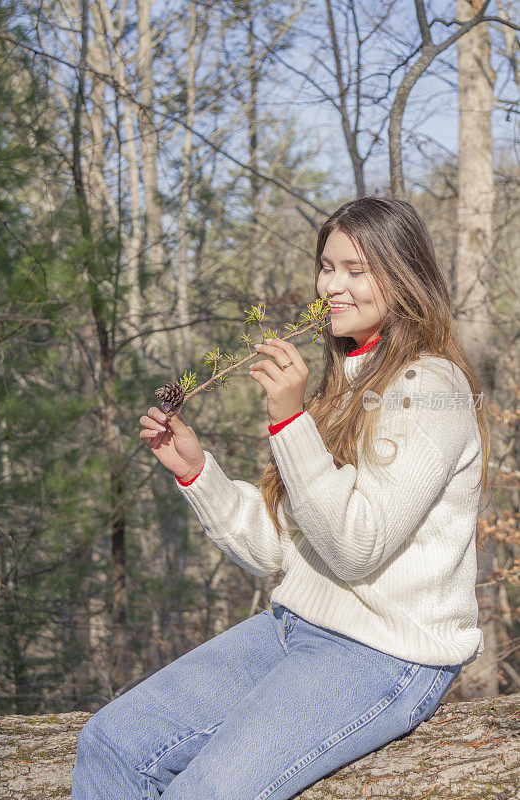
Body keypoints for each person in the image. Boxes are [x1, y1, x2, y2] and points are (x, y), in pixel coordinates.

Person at [72, 196, 489, 800]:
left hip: (385, 654)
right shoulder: (342, 380)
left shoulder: (432, 388)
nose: (334, 287)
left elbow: (354, 547)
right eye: (328, 267)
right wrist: (199, 475)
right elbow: (281, 551)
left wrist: (289, 422)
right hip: (293, 627)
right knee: (111, 744)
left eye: (357, 269)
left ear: (404, 277)